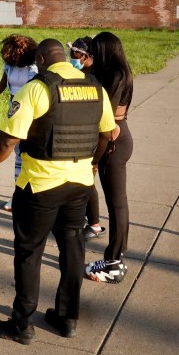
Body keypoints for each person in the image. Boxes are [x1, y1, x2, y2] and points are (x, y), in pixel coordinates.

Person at [0, 39, 115, 344]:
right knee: (72, 249)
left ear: (41, 58)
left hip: (39, 186)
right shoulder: (95, 86)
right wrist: (91, 165)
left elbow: (8, 140)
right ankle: (67, 318)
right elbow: (107, 134)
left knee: (29, 253)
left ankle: (22, 324)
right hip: (79, 185)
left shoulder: (38, 88)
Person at [85, 31, 135, 284]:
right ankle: (114, 259)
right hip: (116, 137)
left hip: (113, 143)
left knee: (117, 205)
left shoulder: (116, 75)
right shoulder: (118, 71)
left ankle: (114, 262)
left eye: (95, 51)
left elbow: (105, 116)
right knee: (117, 203)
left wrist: (95, 158)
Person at [0, 35, 39, 212]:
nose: (11, 59)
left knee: (31, 156)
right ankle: (18, 196)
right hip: (15, 113)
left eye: (13, 56)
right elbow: (1, 87)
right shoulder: (9, 66)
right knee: (18, 157)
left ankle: (33, 196)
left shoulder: (35, 67)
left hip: (34, 114)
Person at [68, 37, 105, 240]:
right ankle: (87, 220)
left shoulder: (95, 78)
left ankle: (94, 224)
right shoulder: (82, 74)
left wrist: (95, 158)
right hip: (83, 134)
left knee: (87, 180)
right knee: (82, 180)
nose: (70, 58)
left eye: (74, 54)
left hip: (92, 137)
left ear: (86, 56)